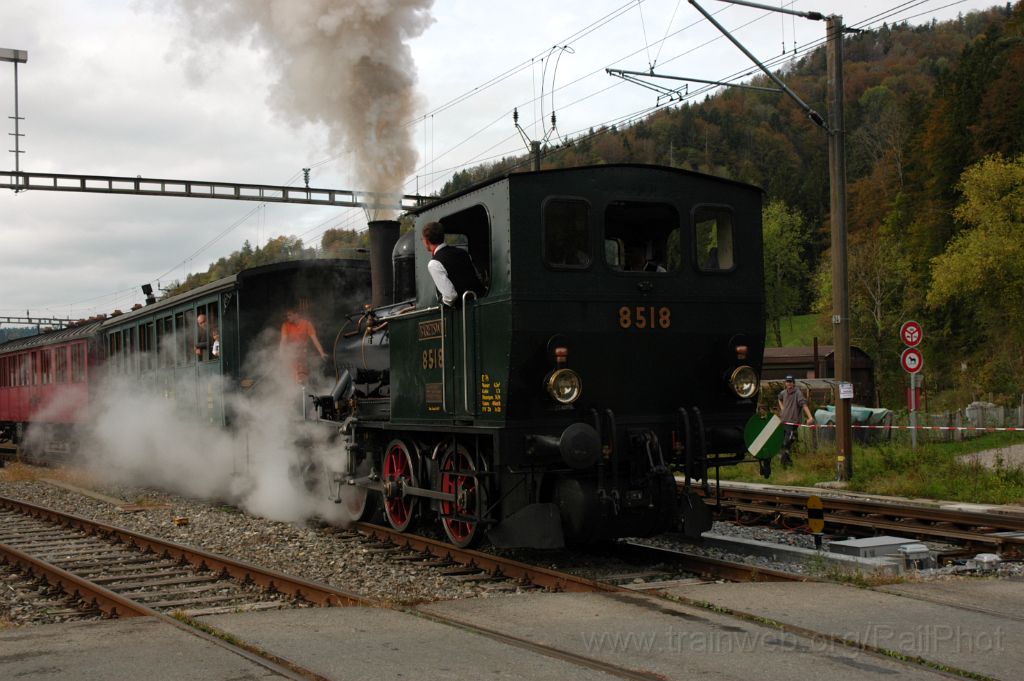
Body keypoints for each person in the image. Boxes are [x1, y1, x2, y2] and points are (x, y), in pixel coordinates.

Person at [421, 221, 483, 306]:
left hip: (462, 312)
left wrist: (441, 302)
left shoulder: (434, 264)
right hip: (480, 303)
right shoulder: (463, 252)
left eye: (422, 239)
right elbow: (478, 278)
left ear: (427, 241)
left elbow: (450, 297)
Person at [279, 308, 328, 384]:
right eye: (287, 315)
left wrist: (321, 353)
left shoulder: (307, 324)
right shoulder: (285, 325)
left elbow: (314, 339)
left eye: (290, 315)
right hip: (291, 353)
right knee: (293, 373)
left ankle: (306, 388)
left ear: (296, 315)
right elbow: (283, 341)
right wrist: (281, 354)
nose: (288, 317)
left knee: (304, 373)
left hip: (304, 353)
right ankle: (294, 388)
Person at [778, 375, 814, 467]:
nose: (789, 383)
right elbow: (779, 398)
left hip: (793, 422)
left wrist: (810, 417)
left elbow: (804, 405)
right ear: (785, 383)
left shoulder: (797, 393)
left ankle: (784, 463)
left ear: (793, 383)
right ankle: (788, 463)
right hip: (784, 421)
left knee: (787, 442)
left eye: (790, 382)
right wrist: (782, 408)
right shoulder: (784, 392)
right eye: (787, 382)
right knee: (784, 442)